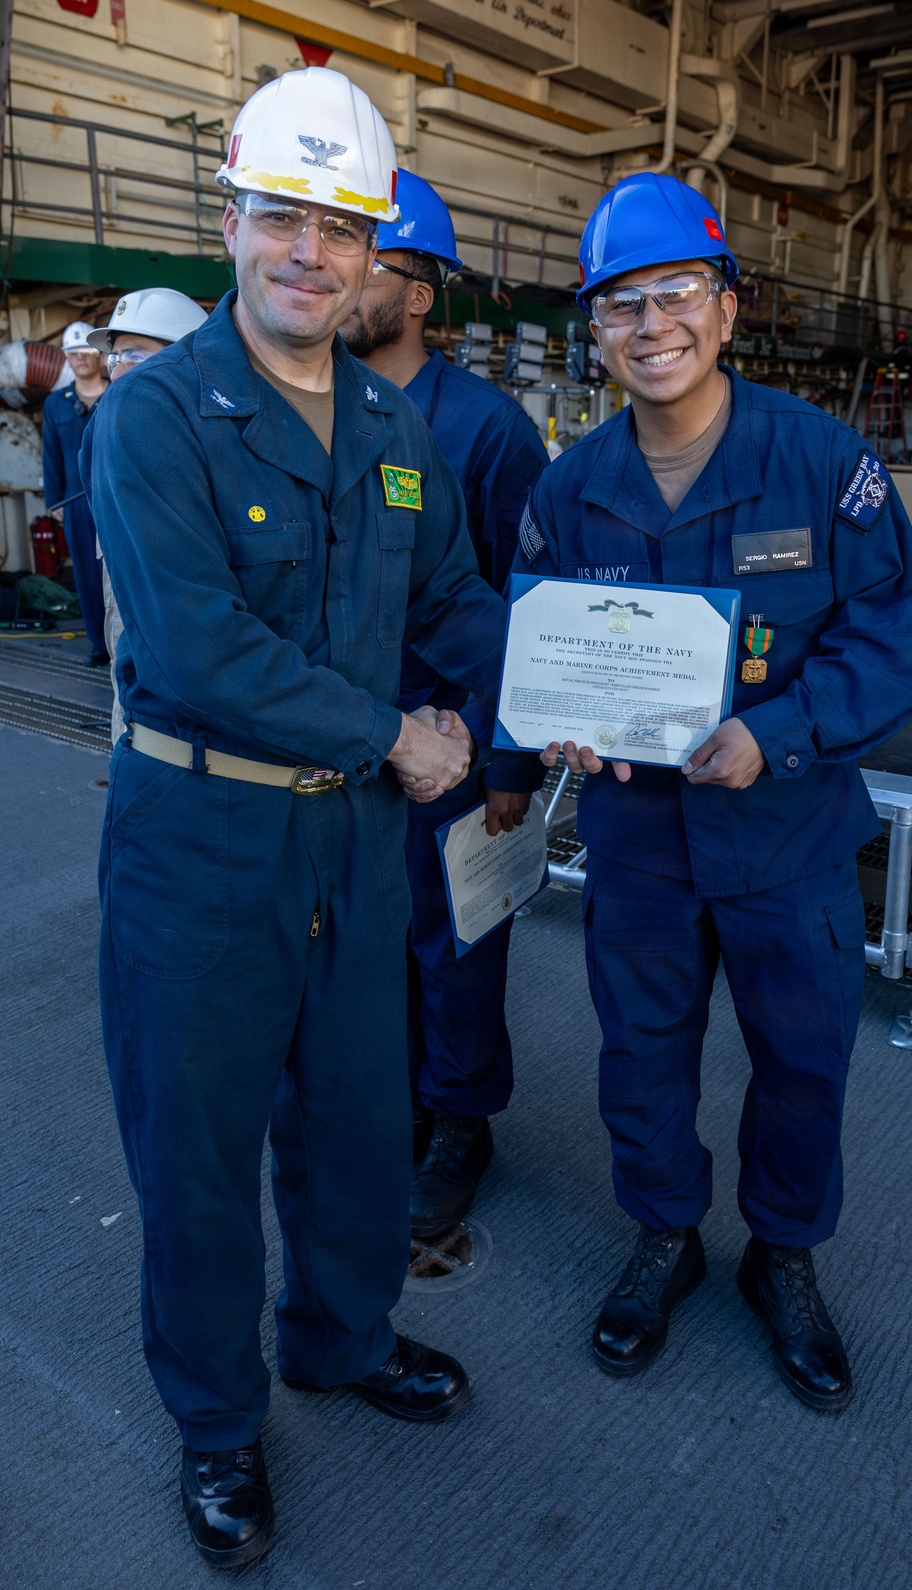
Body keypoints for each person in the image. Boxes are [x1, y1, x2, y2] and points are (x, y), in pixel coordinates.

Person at [81, 67, 513, 1569]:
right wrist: (402, 730)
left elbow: (454, 599)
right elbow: (200, 651)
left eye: (342, 228)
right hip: (199, 843)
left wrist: (571, 681)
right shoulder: (156, 417)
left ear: (373, 252)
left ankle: (342, 1338)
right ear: (232, 222)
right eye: (285, 219)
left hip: (350, 845)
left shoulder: (396, 421)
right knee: (197, 1148)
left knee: (351, 1120)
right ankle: (217, 1423)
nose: (312, 255)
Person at [511, 173, 912, 1410]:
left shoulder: (820, 462)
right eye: (620, 306)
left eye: (677, 295)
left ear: (728, 308)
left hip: (787, 836)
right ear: (595, 334)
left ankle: (784, 1260)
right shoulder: (567, 486)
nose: (653, 327)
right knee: (640, 1056)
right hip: (639, 841)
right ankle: (665, 1236)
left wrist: (781, 732)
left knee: (800, 1061)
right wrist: (559, 735)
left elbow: (888, 631)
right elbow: (542, 652)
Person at [343, 170, 548, 1239]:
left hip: (458, 742)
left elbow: (522, 609)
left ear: (419, 291)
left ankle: (461, 1125)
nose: (336, 273)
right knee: (364, 943)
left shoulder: (489, 431)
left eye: (363, 255)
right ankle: (402, 1100)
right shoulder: (310, 410)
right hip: (341, 741)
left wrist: (509, 761)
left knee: (455, 944)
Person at [88, 288, 209, 743]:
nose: (117, 370)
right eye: (114, 358)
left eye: (133, 355)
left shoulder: (206, 430)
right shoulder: (113, 420)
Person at [41, 321, 108, 663]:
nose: (80, 358)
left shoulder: (119, 391)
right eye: (73, 353)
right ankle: (100, 643)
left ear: (99, 357)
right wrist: (54, 501)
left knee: (122, 569)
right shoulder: (55, 405)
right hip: (75, 502)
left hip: (115, 497)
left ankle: (127, 642)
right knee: (85, 572)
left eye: (86, 352)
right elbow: (50, 454)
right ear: (66, 359)